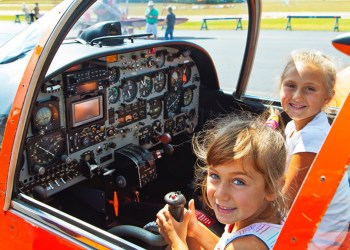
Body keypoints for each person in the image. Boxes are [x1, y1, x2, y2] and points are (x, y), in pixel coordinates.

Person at [156, 110, 288, 249]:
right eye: (215, 175)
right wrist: (194, 230)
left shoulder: (249, 245)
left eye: (238, 181)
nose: (220, 194)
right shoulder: (257, 219)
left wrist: (175, 240)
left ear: (273, 188)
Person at [279, 49, 350, 248]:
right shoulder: (296, 125)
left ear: (327, 97)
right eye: (290, 85)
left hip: (317, 238)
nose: (297, 96)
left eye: (310, 89)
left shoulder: (311, 137)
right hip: (321, 227)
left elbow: (284, 203)